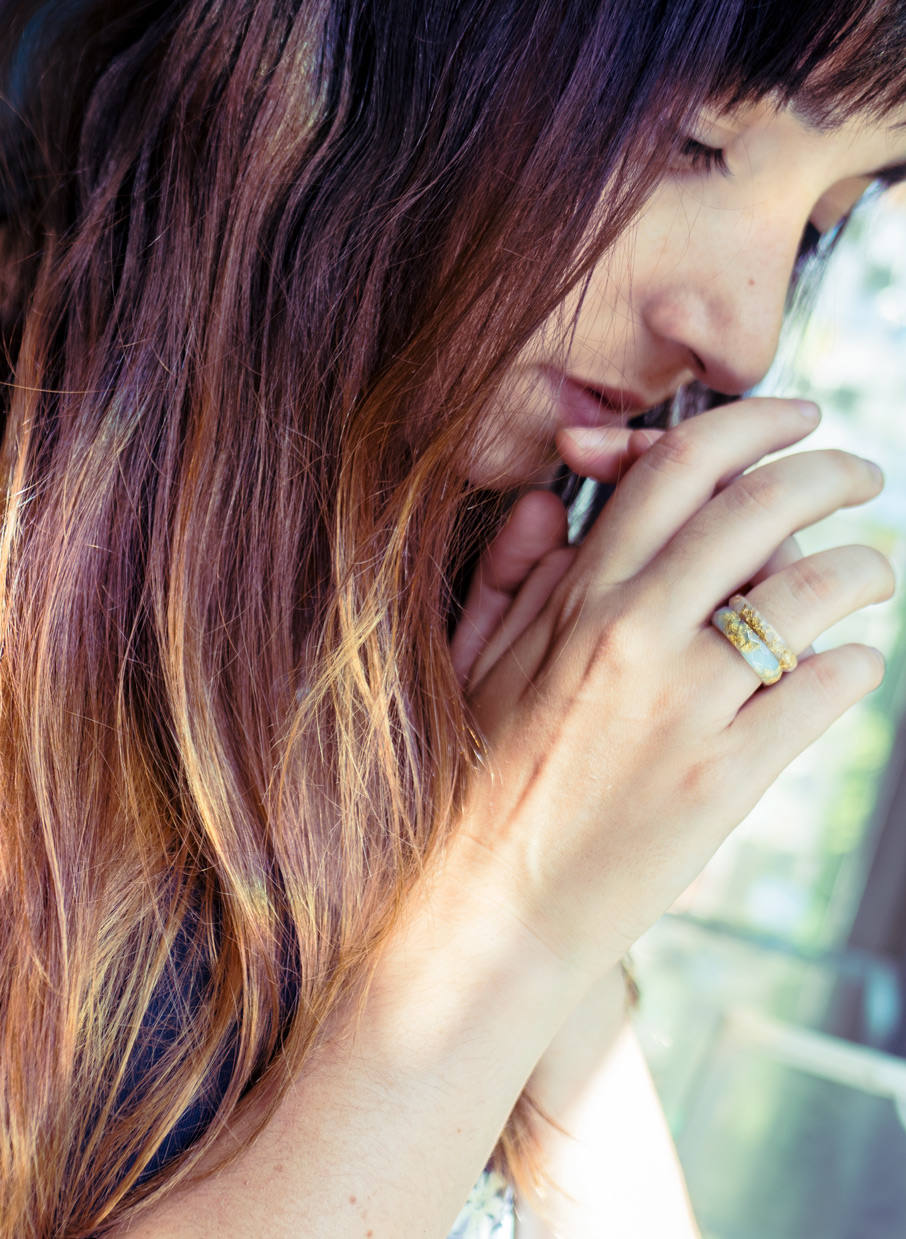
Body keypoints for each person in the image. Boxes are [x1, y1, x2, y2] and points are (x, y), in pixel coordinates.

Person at [1, 1, 905, 1235]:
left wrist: (551, 846)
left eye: (823, 219)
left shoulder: (425, 650)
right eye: (690, 139)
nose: (744, 340)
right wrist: (513, 924)